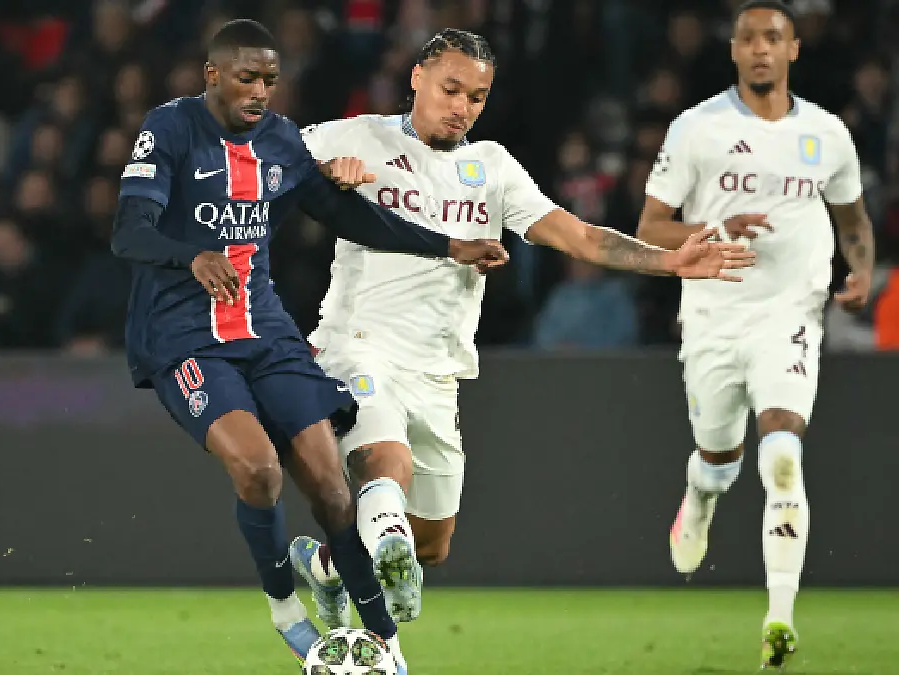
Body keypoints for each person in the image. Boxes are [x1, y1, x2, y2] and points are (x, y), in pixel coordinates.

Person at [287, 28, 755, 628]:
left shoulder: (492, 168)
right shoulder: (356, 135)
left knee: (430, 543)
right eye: (451, 89)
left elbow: (576, 235)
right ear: (418, 77)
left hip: (437, 371)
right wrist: (323, 171)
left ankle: (328, 565)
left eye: (476, 97)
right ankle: (377, 624)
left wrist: (668, 261)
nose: (461, 107)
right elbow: (261, 157)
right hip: (359, 347)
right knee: (385, 463)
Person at [110, 19, 507, 673]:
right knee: (260, 469)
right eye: (247, 76)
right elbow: (130, 231)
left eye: (270, 78)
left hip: (266, 332)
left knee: (332, 488)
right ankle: (285, 609)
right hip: (185, 336)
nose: (260, 90)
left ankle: (386, 646)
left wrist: (447, 244)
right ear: (213, 75)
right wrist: (193, 256)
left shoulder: (279, 140)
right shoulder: (172, 128)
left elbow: (345, 212)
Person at [636, 1, 874, 668]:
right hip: (713, 316)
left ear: (794, 48)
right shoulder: (697, 129)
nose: (762, 48)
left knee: (783, 454)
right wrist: (712, 229)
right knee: (719, 459)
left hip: (789, 316)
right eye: (749, 38)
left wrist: (858, 272)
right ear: (735, 51)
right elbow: (651, 227)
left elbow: (852, 219)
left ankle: (779, 617)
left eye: (774, 37)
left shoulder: (826, 134)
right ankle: (701, 496)